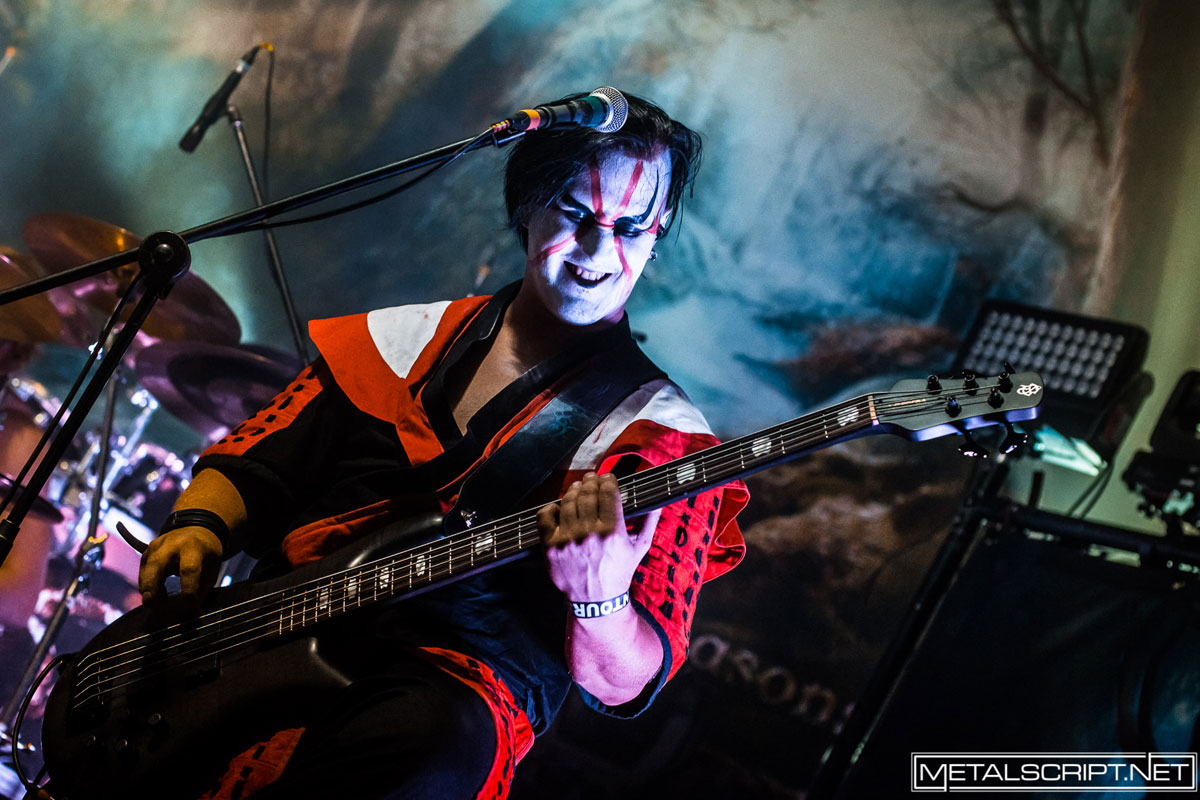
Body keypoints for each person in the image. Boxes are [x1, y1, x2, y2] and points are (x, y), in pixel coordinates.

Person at [137, 92, 749, 800]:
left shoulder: (662, 436)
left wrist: (600, 598)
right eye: (577, 214)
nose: (598, 251)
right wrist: (199, 522)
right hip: (258, 651)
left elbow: (626, 681)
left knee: (427, 738)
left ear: (658, 231)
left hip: (439, 716)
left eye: (632, 228)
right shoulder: (403, 339)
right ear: (528, 204)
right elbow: (259, 459)